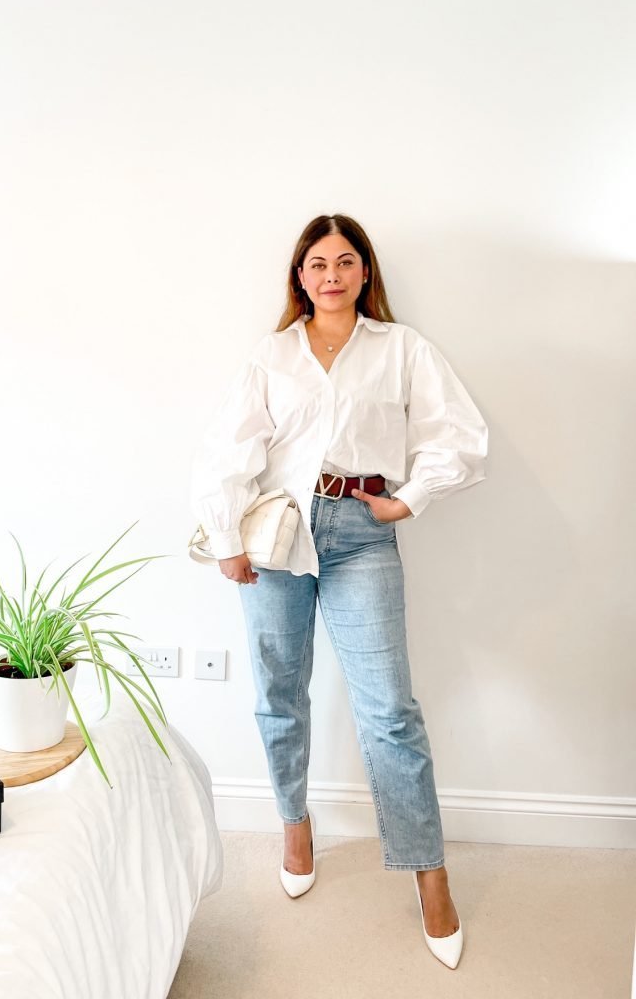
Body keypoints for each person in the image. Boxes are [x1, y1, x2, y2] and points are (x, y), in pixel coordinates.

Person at [189, 213, 488, 970]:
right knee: (279, 692)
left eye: (345, 262)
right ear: (299, 276)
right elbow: (229, 450)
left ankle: (430, 874)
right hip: (279, 537)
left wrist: (409, 498)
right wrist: (226, 540)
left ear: (364, 273)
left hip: (361, 533)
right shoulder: (274, 356)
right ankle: (295, 821)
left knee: (391, 711)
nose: (331, 275)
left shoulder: (402, 349)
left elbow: (461, 437)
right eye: (317, 263)